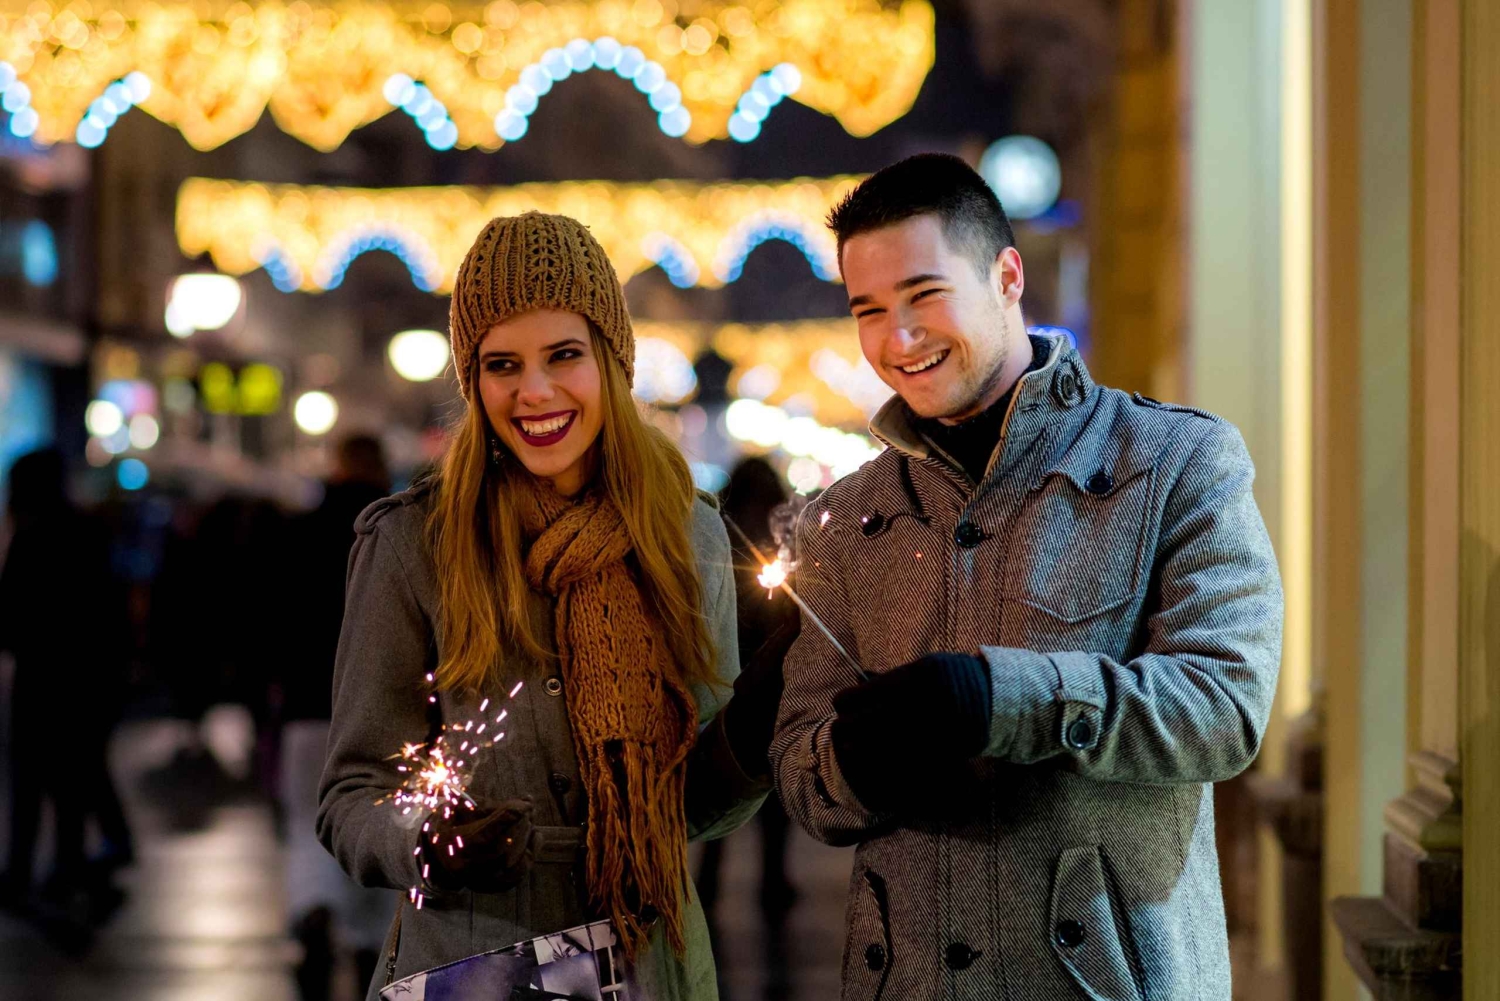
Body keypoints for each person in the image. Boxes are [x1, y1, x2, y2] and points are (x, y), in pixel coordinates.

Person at [770, 154, 1283, 1000]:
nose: (898, 339)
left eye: (925, 295)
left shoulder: (1177, 462)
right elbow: (801, 776)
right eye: (869, 310)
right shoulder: (843, 519)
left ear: (1007, 276)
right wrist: (855, 761)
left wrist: (999, 698)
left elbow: (1223, 708)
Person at [317, 212, 781, 1001]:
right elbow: (351, 792)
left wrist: (758, 720)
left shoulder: (685, 530)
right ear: (473, 378)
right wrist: (424, 841)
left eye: (563, 354)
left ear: (611, 358)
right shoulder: (414, 543)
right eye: (502, 363)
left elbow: (697, 808)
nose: (534, 391)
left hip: (648, 964)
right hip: (475, 964)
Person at [277, 434, 397, 1001]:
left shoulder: (298, 532)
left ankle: (312, 909)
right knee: (377, 829)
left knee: (308, 821)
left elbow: (269, 623)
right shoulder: (397, 533)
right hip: (383, 713)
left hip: (306, 707)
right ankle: (369, 941)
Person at [0, 448, 133, 915]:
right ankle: (68, 868)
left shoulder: (29, 534)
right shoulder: (87, 530)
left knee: (28, 783)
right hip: (86, 680)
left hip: (41, 679)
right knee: (71, 782)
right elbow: (111, 609)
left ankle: (20, 874)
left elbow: (11, 618)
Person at [694, 457, 800, 919]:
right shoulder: (784, 538)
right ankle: (773, 882)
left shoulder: (723, 537)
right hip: (773, 686)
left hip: (726, 683)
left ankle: (709, 884)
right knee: (769, 795)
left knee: (719, 787)